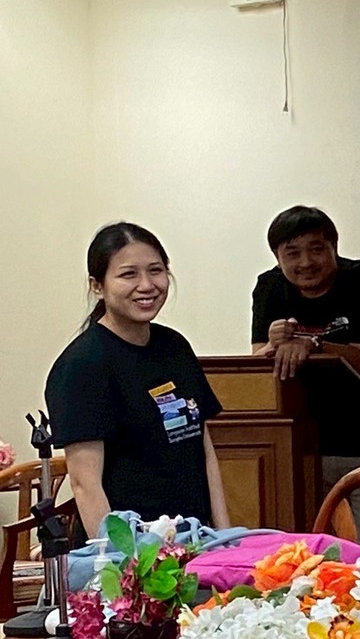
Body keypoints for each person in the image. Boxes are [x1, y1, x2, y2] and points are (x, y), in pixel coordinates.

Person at [251, 206, 360, 549]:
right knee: (304, 552)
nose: (305, 262)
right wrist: (273, 343)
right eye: (292, 253)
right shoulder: (270, 287)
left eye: (316, 249)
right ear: (277, 258)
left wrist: (311, 344)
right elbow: (258, 363)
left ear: (334, 246)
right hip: (303, 446)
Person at [46, 222, 228, 536]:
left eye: (155, 271)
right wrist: (124, 561)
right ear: (97, 286)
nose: (146, 285)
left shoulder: (174, 347)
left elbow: (204, 449)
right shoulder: (82, 365)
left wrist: (225, 536)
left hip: (195, 538)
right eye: (128, 274)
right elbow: (85, 485)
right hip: (132, 550)